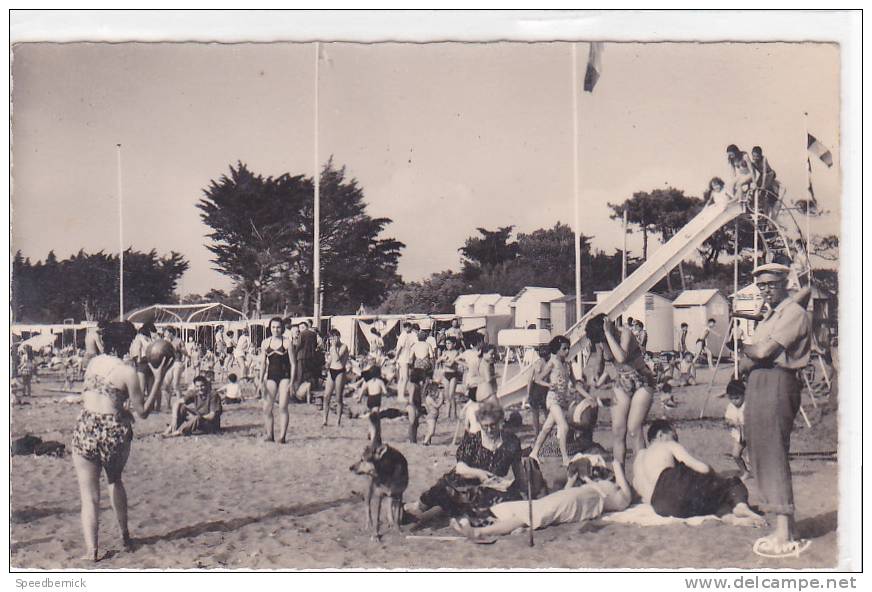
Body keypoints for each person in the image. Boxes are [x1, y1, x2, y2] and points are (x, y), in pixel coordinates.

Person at [71, 322, 168, 561]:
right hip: (113, 431)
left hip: (86, 426)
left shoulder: (93, 363)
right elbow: (142, 411)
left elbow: (96, 395)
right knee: (114, 481)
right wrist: (158, 378)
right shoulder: (129, 372)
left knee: (89, 496)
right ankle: (125, 536)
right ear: (129, 343)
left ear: (106, 342)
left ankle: (91, 550)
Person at [739, 263, 812, 557]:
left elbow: (761, 352)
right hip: (759, 381)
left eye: (771, 284)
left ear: (785, 283)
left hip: (777, 381)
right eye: (762, 286)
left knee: (772, 452)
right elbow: (752, 357)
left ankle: (783, 531)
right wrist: (751, 352)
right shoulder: (770, 316)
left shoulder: (793, 313)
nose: (766, 290)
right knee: (759, 450)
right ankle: (786, 526)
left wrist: (746, 348)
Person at [450, 459, 632, 540]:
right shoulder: (596, 484)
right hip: (568, 498)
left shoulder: (612, 493)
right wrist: (576, 479)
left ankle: (482, 532)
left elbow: (625, 500)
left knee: (532, 513)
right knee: (525, 507)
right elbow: (567, 490)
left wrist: (618, 468)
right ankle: (480, 523)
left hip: (583, 502)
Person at [407, 401, 523, 521]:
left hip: (488, 490)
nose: (489, 430)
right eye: (485, 426)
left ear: (500, 422)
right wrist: (480, 473)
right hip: (460, 484)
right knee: (430, 501)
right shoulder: (473, 440)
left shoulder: (511, 442)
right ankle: (417, 508)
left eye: (493, 425)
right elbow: (460, 468)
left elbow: (519, 473)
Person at [632, 420, 764, 525]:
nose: (676, 439)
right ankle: (741, 506)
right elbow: (703, 468)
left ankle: (730, 518)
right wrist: (715, 477)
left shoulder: (639, 458)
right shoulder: (667, 444)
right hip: (671, 485)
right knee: (731, 483)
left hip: (659, 506)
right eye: (674, 435)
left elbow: (638, 491)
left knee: (707, 497)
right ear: (661, 435)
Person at [587, 313, 655, 467]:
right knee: (618, 431)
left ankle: (642, 474)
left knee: (634, 428)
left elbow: (621, 357)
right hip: (621, 381)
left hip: (642, 380)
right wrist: (596, 374)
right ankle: (619, 478)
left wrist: (608, 334)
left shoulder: (625, 332)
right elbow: (600, 361)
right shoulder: (601, 340)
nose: (602, 342)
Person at [529, 336, 592, 466]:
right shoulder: (552, 362)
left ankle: (534, 453)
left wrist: (588, 396)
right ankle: (565, 459)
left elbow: (576, 384)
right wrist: (548, 385)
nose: (567, 351)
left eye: (568, 348)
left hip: (562, 400)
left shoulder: (567, 364)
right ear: (557, 350)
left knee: (546, 428)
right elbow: (537, 379)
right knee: (563, 426)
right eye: (564, 348)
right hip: (552, 399)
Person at [260, 317, 296, 442]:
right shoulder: (265, 343)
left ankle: (282, 436)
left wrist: (292, 382)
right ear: (270, 328)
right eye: (273, 327)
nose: (276, 330)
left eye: (278, 327)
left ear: (282, 328)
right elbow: (263, 364)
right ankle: (270, 435)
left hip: (284, 376)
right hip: (271, 376)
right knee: (267, 407)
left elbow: (293, 364)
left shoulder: (287, 342)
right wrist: (260, 380)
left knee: (282, 407)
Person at [407, 327, 435, 443]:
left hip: (418, 363)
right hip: (425, 363)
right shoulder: (428, 344)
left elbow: (410, 358)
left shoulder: (415, 345)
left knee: (417, 384)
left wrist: (410, 368)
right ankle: (424, 398)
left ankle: (421, 398)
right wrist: (433, 367)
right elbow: (432, 356)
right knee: (425, 383)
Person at [722, 378, 750, 480]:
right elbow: (727, 420)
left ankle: (760, 471)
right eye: (732, 398)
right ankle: (745, 471)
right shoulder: (731, 407)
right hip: (739, 435)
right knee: (735, 454)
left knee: (753, 458)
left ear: (744, 394)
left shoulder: (748, 405)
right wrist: (732, 423)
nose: (734, 401)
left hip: (751, 435)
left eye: (737, 398)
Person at [128, 322, 159, 410]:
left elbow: (138, 348)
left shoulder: (139, 337)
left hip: (142, 361)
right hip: (151, 361)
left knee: (141, 386)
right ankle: (151, 406)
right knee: (150, 386)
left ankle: (140, 406)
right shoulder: (150, 339)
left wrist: (138, 359)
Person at [354, 363, 388, 444]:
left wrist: (359, 398)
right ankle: (376, 434)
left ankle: (370, 431)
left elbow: (362, 391)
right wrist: (386, 394)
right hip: (376, 400)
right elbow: (385, 391)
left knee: (371, 417)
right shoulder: (380, 382)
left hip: (370, 400)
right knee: (376, 419)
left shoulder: (368, 382)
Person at [322, 329, 350, 427]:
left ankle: (338, 421)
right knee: (326, 396)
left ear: (338, 337)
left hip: (340, 372)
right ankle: (325, 420)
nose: (332, 340)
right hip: (332, 371)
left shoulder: (344, 346)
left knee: (338, 398)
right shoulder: (331, 348)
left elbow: (337, 358)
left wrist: (333, 347)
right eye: (330, 338)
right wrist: (326, 363)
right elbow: (331, 360)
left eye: (334, 337)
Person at [439, 336, 462, 420]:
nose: (447, 345)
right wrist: (443, 359)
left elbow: (451, 364)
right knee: (447, 395)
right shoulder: (445, 352)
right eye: (446, 343)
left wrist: (443, 360)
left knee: (451, 394)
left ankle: (454, 414)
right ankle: (447, 414)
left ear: (454, 344)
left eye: (449, 343)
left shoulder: (456, 353)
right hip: (446, 374)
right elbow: (438, 361)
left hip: (453, 374)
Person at [394, 322, 417, 404]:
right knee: (406, 378)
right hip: (403, 359)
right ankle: (401, 396)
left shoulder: (407, 335)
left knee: (402, 378)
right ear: (406, 327)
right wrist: (395, 357)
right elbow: (400, 347)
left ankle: (400, 394)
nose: (410, 329)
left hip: (402, 358)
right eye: (408, 327)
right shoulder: (404, 335)